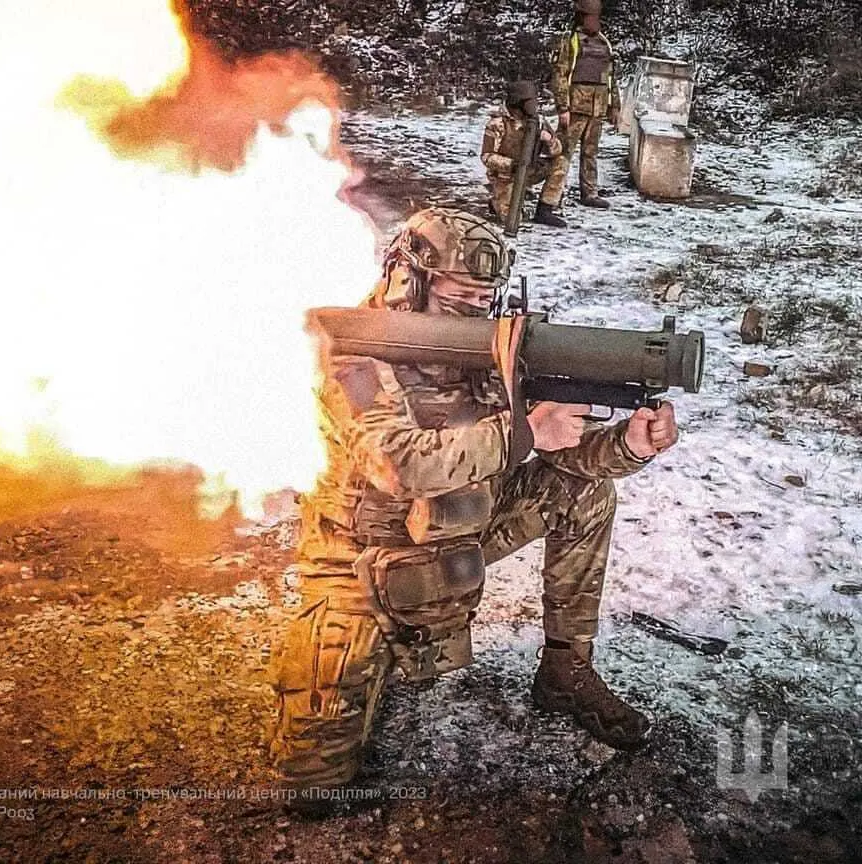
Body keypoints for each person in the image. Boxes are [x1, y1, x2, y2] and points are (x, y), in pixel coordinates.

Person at [269, 208, 680, 806]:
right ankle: (364, 652)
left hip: (461, 528)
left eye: (483, 301)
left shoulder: (487, 348)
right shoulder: (354, 355)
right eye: (459, 299)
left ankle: (566, 671)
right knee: (312, 786)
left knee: (585, 493)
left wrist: (628, 444)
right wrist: (524, 433)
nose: (474, 313)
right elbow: (399, 464)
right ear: (409, 281)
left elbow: (561, 457)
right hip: (368, 561)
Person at [546, 0, 621, 209]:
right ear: (582, 17)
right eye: (592, 17)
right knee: (563, 152)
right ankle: (553, 195)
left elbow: (610, 77)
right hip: (575, 107)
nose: (596, 22)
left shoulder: (605, 43)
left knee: (591, 152)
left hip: (597, 108)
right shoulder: (571, 41)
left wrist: (614, 105)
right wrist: (562, 107)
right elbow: (560, 75)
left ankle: (589, 193)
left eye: (597, 17)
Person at [481, 80, 568, 229]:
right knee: (514, 219)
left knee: (561, 162)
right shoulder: (498, 123)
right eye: (530, 102)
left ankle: (545, 209)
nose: (533, 106)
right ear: (518, 102)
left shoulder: (538, 122)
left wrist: (549, 140)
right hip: (505, 176)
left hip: (529, 170)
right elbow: (486, 156)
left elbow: (557, 150)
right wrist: (511, 165)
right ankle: (496, 202)